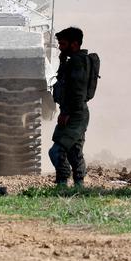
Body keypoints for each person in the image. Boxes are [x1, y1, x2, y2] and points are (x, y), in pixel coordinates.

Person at [49, 27, 91, 187]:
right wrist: (61, 61)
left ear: (74, 44)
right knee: (74, 152)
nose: (60, 47)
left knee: (56, 151)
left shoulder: (77, 62)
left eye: (63, 44)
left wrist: (66, 112)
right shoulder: (73, 60)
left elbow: (78, 92)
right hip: (77, 112)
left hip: (74, 113)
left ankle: (62, 184)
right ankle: (79, 185)